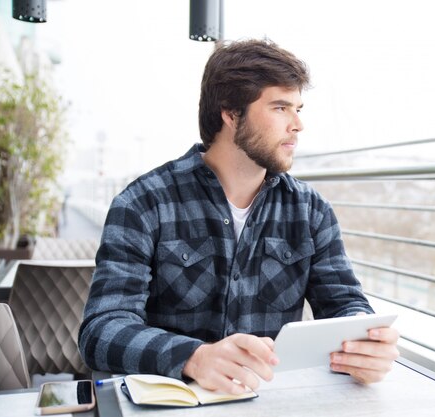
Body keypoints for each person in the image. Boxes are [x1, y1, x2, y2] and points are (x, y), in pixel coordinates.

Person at [78, 39, 399, 395]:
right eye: (280, 107)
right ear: (230, 114)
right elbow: (101, 330)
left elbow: (345, 303)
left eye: (298, 109)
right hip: (171, 403)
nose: (298, 125)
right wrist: (194, 357)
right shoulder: (143, 203)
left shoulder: (311, 211)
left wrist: (364, 341)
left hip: (270, 403)